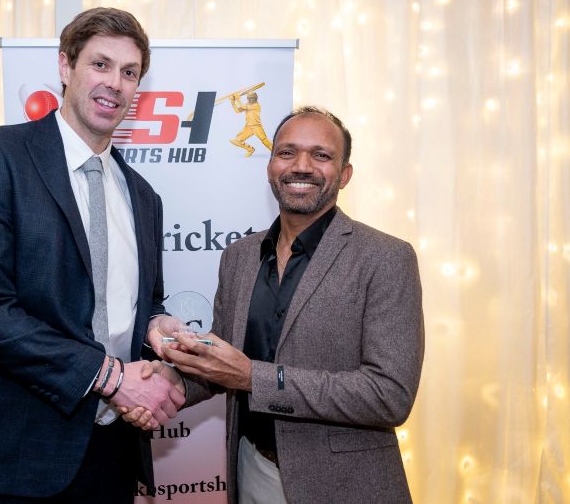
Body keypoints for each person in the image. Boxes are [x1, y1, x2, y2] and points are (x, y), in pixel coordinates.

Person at [0, 7, 186, 503]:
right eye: (100, 64)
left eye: (129, 73)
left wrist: (155, 324)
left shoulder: (144, 197)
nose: (115, 83)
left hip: (109, 452)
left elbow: (139, 300)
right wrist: (110, 376)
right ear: (65, 65)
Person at [128, 106, 425, 503]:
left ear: (345, 174)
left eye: (321, 155)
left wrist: (255, 377)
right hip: (250, 467)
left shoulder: (386, 257)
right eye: (287, 152)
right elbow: (223, 362)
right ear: (270, 167)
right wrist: (171, 382)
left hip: (344, 485)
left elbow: (389, 395)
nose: (301, 166)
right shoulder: (239, 256)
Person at [229, 91, 274, 157]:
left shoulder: (256, 105)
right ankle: (250, 149)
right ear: (247, 98)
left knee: (265, 140)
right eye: (250, 98)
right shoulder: (247, 105)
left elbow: (242, 106)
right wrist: (232, 102)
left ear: (256, 98)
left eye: (253, 98)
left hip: (257, 127)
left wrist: (237, 98)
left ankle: (275, 152)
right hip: (248, 128)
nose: (251, 99)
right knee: (236, 141)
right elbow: (237, 111)